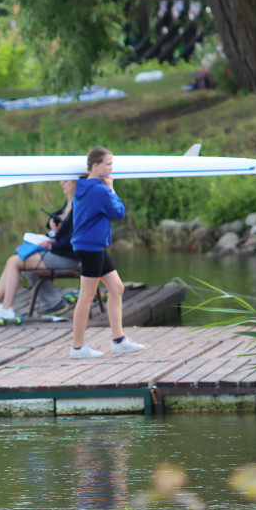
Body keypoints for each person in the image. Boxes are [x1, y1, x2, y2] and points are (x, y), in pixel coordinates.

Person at [68, 147, 146, 358]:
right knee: (86, 296)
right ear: (96, 165)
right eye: (108, 164)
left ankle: (118, 340)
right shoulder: (101, 190)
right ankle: (77, 347)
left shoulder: (82, 185)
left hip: (90, 245)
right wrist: (112, 188)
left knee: (117, 287)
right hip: (90, 246)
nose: (112, 168)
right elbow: (119, 212)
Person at [0, 180, 79, 320]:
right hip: (61, 252)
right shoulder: (70, 202)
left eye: (65, 180)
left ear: (76, 182)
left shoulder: (79, 204)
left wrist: (53, 244)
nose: (61, 183)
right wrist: (53, 222)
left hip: (69, 257)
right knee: (16, 259)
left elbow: (73, 237)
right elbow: (62, 221)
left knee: (14, 262)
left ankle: (5, 308)